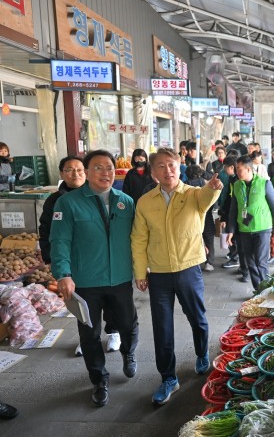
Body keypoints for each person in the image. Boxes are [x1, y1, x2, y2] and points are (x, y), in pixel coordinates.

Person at [131, 148, 222, 405]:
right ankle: (168, 378)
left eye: (171, 164)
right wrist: (140, 271)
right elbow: (139, 239)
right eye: (160, 166)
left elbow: (207, 197)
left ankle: (201, 353)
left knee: (197, 317)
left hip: (188, 268)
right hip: (159, 273)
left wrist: (214, 187)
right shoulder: (145, 202)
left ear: (179, 166)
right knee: (162, 327)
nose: (167, 170)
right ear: (153, 172)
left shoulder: (193, 194)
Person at [50, 150, 139, 407]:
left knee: (128, 324)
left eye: (109, 167)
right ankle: (99, 379)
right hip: (86, 280)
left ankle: (128, 353)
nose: (105, 172)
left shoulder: (126, 201)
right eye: (98, 167)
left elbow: (139, 238)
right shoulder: (68, 203)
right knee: (89, 333)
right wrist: (63, 274)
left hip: (120, 278)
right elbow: (59, 240)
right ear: (87, 172)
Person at [39, 156, 123, 356]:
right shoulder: (55, 200)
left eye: (78, 169)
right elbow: (47, 231)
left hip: (103, 258)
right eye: (69, 170)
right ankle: (87, 339)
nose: (75, 174)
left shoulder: (100, 193)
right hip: (75, 262)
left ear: (85, 172)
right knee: (83, 303)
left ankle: (113, 331)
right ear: (62, 173)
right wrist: (53, 262)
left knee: (111, 300)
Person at [226, 155, 274, 291]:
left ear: (248, 169)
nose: (236, 172)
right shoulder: (236, 185)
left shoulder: (264, 183)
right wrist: (231, 231)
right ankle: (258, 290)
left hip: (262, 228)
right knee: (250, 262)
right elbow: (233, 210)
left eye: (239, 169)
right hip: (244, 229)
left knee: (260, 261)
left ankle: (267, 291)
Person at [218, 157, 249, 281]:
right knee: (239, 243)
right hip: (235, 215)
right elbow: (230, 199)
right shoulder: (233, 181)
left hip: (248, 217)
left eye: (239, 169)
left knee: (244, 244)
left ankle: (245, 268)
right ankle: (243, 268)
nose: (238, 172)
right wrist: (224, 215)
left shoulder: (253, 182)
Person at [185, 165, 216, 272]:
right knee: (209, 240)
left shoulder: (185, 185)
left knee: (193, 239)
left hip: (191, 218)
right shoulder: (205, 184)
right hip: (207, 216)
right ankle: (209, 263)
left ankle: (194, 262)